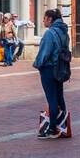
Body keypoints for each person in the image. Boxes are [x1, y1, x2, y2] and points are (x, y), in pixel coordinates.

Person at [32, 8, 70, 138]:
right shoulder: (64, 32)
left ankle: (52, 129)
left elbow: (45, 52)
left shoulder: (49, 33)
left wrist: (37, 64)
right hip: (61, 69)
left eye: (44, 18)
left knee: (52, 99)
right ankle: (63, 126)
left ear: (49, 19)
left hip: (49, 69)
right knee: (60, 97)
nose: (43, 21)